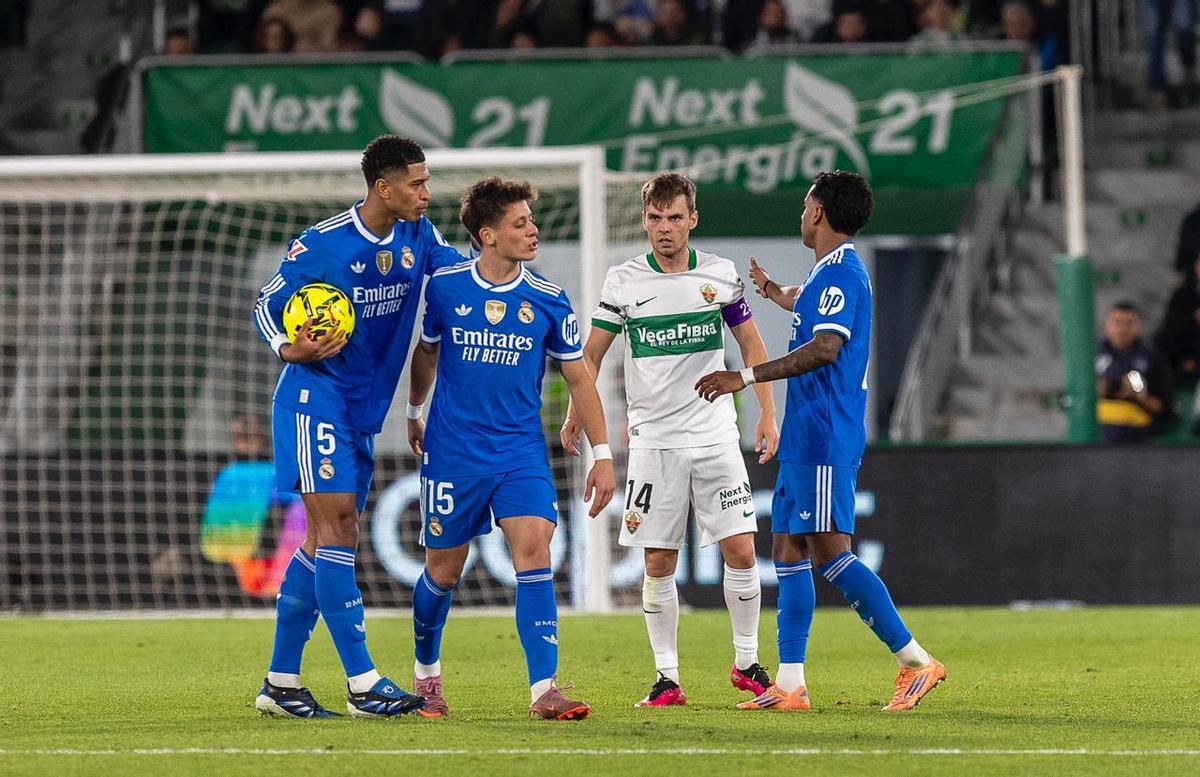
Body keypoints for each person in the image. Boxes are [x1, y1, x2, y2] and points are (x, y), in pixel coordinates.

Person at [695, 170, 945, 712]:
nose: (802, 212)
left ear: (820, 213)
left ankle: (916, 661)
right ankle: (790, 683)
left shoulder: (841, 275)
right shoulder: (825, 275)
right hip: (806, 433)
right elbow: (801, 299)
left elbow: (827, 346)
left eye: (807, 203)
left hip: (827, 432)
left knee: (831, 552)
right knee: (787, 548)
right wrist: (769, 291)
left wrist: (746, 376)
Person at [251, 135, 466, 718]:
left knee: (323, 541)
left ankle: (281, 682)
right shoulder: (323, 244)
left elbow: (460, 278)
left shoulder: (421, 236)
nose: (426, 193)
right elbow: (268, 302)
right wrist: (288, 346)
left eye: (426, 182)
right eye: (416, 183)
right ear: (383, 187)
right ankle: (362, 682)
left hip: (362, 413)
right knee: (339, 527)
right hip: (312, 398)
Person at [561, 173, 780, 708]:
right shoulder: (624, 281)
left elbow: (751, 345)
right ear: (644, 220)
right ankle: (667, 679)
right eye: (655, 219)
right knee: (658, 560)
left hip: (715, 435)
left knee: (742, 550)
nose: (665, 229)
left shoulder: (721, 276)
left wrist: (767, 413)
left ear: (693, 219)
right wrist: (574, 410)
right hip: (654, 440)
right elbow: (590, 356)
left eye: (675, 218)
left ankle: (748, 663)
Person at [405, 177, 615, 720]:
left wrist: (604, 453)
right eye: (520, 223)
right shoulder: (446, 287)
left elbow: (580, 378)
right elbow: (425, 355)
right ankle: (427, 677)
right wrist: (413, 411)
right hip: (453, 452)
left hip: (520, 453)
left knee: (535, 550)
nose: (533, 231)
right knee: (443, 573)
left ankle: (544, 688)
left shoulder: (548, 298)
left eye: (531, 220)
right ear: (487, 235)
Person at [1097, 301, 1174, 443]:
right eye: (1117, 322)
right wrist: (1100, 389)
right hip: (1099, 427)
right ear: (1106, 325)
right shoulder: (1093, 354)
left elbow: (1165, 408)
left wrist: (1139, 395)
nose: (1122, 329)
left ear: (1139, 327)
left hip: (1137, 430)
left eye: (1129, 323)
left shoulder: (1151, 357)